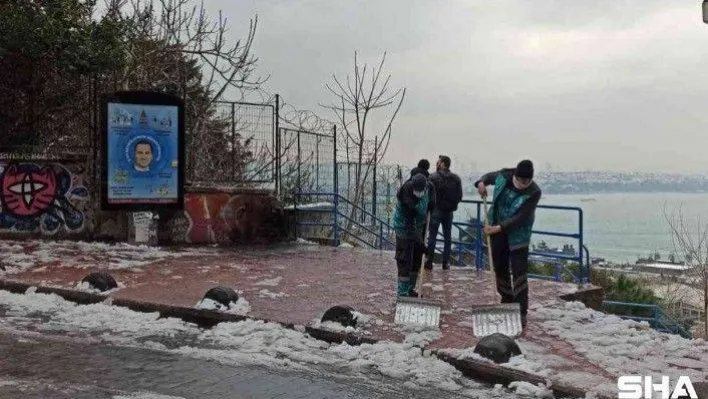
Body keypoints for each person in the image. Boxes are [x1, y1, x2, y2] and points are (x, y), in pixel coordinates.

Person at [474, 159, 541, 328]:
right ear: (516, 176)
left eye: (528, 181)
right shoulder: (504, 176)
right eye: (521, 181)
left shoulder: (534, 192)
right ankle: (506, 301)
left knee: (519, 273)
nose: (524, 184)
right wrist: (481, 183)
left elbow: (522, 216)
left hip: (519, 234)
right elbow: (488, 177)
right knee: (500, 268)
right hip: (496, 228)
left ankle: (521, 311)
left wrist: (499, 227)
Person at [392, 173, 430, 297]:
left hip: (417, 228)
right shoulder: (406, 195)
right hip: (404, 230)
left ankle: (410, 289)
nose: (419, 193)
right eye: (417, 191)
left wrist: (432, 203)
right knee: (404, 260)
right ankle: (402, 293)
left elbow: (431, 191)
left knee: (415, 260)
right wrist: (421, 243)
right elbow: (410, 224)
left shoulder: (426, 187)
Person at [424, 155, 463, 270]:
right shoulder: (456, 178)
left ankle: (429, 261)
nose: (436, 163)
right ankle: (445, 263)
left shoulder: (432, 177)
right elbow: (459, 196)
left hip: (436, 210)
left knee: (432, 237)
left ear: (443, 164)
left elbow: (427, 195)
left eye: (438, 162)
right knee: (448, 237)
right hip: (449, 211)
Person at [409, 166, 436, 280]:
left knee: (415, 251)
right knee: (415, 249)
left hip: (420, 222)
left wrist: (430, 205)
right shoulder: (408, 188)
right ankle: (408, 284)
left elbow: (432, 202)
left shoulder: (429, 186)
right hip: (413, 224)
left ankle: (412, 281)